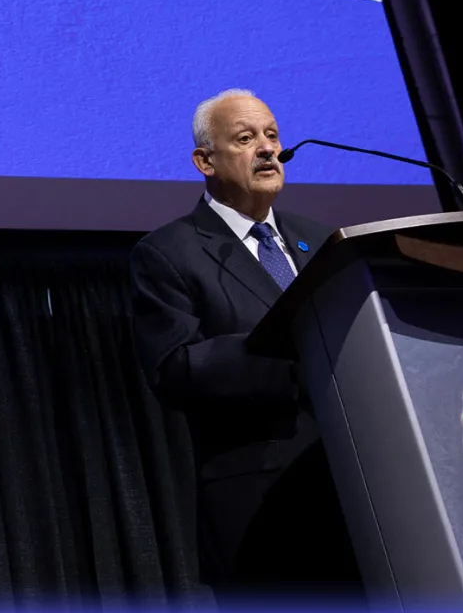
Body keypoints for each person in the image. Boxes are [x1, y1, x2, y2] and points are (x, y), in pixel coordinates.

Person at [130, 89, 362, 597]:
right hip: (261, 505)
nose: (268, 149)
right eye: (246, 138)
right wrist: (293, 347)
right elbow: (174, 368)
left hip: (360, 489)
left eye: (272, 135)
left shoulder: (324, 241)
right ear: (204, 161)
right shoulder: (169, 252)